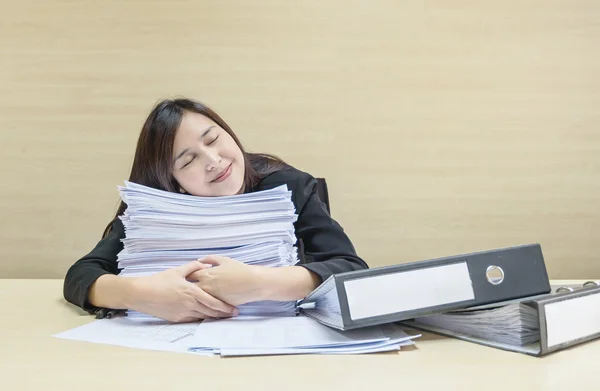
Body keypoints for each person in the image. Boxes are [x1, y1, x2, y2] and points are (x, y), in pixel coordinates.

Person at [63, 98, 369, 323]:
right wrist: (140, 294)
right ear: (173, 182)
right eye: (187, 161)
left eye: (213, 139)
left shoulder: (287, 187)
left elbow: (351, 269)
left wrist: (262, 282)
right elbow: (80, 276)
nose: (213, 160)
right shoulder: (154, 210)